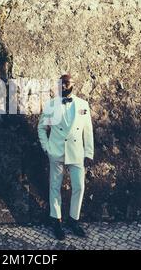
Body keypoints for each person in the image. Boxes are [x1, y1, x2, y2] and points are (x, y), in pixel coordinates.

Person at [37, 74, 94, 240]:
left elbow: (88, 130)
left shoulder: (83, 105)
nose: (63, 86)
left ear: (73, 85)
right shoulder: (51, 105)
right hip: (56, 151)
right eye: (60, 84)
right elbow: (41, 128)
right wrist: (47, 147)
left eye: (66, 83)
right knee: (55, 186)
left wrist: (88, 152)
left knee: (79, 186)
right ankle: (56, 220)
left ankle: (73, 220)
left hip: (76, 152)